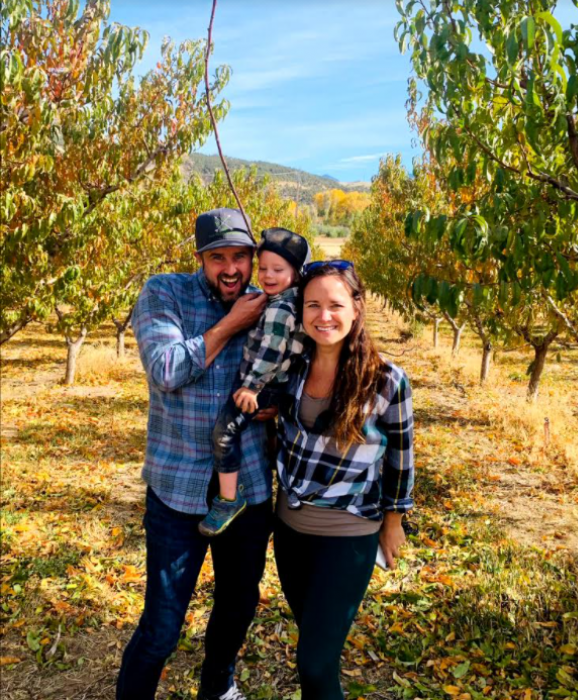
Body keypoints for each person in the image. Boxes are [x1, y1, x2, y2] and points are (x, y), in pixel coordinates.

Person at [116, 208, 275, 700]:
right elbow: (164, 369)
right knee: (162, 625)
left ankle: (218, 686)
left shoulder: (271, 301)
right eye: (217, 257)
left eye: (240, 257)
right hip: (177, 487)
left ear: (253, 258)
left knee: (236, 606)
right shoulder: (164, 293)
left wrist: (275, 400)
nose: (231, 269)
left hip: (246, 486)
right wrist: (231, 324)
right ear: (200, 259)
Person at [273, 260, 415, 700]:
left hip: (348, 535)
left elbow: (401, 458)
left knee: (312, 661)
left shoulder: (387, 380)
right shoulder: (290, 369)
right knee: (319, 651)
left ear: (356, 308)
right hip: (290, 531)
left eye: (335, 304)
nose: (323, 316)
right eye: (312, 305)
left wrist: (393, 522)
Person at [199, 227, 311, 536]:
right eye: (262, 268)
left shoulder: (278, 310)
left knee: (224, 434)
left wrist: (251, 386)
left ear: (296, 273)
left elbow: (269, 354)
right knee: (263, 432)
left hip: (260, 384)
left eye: (278, 269)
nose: (267, 275)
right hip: (270, 385)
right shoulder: (287, 302)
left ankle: (229, 499)